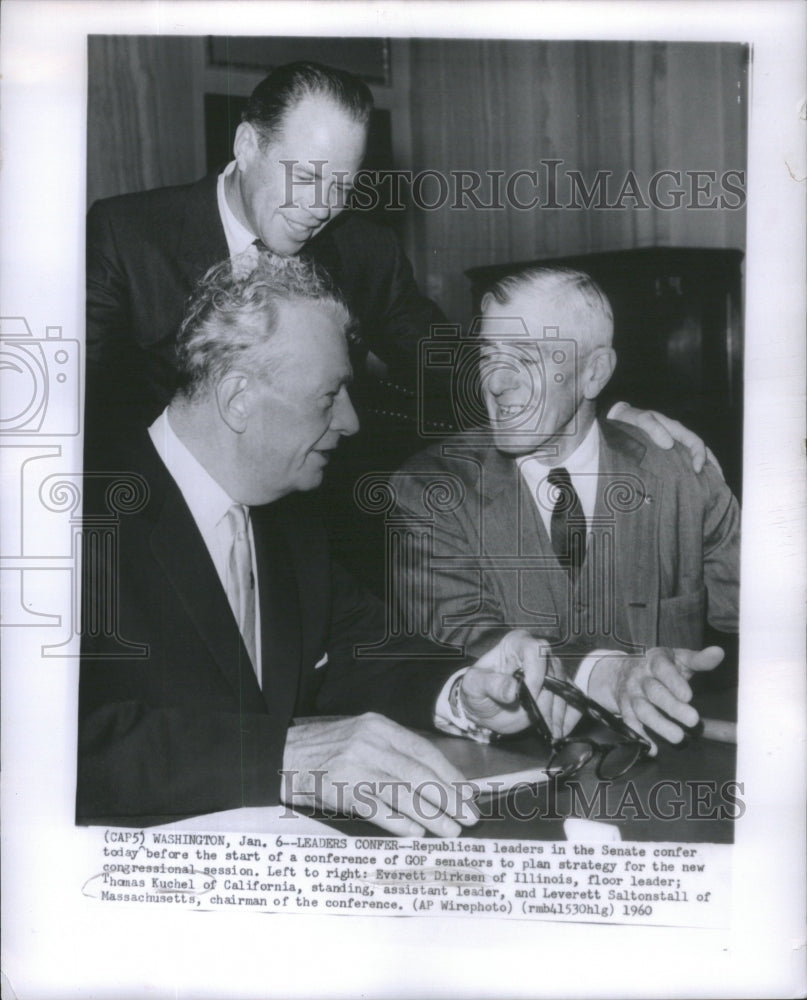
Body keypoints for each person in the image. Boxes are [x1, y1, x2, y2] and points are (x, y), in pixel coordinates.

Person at [77, 254, 583, 837]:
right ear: (238, 397)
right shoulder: (74, 512)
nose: (351, 421)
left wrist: (469, 692)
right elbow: (44, 744)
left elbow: (363, 649)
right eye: (329, 395)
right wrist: (282, 754)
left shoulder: (291, 516)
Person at [85, 58, 716, 496]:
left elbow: (451, 370)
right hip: (161, 516)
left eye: (343, 185)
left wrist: (585, 412)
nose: (321, 206)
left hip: (307, 521)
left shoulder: (365, 253)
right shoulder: (127, 233)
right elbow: (79, 414)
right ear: (249, 145)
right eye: (305, 175)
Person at [393, 266, 740, 748]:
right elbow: (462, 642)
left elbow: (774, 618)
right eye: (489, 355)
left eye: (527, 358)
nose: (496, 383)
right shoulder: (431, 489)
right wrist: (604, 673)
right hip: (520, 792)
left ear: (594, 372)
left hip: (676, 781)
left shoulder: (681, 475)